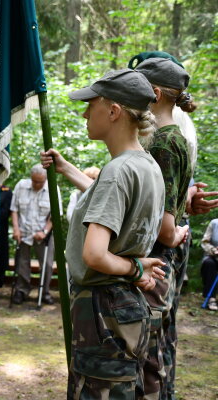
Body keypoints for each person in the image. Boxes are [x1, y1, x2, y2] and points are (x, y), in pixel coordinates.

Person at [41, 69, 167, 399]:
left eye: (91, 104)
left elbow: (95, 254)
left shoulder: (116, 171)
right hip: (126, 309)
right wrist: (67, 168)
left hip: (102, 310)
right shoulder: (146, 165)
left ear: (113, 112)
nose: (85, 113)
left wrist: (135, 268)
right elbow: (110, 203)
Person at [131, 56, 194, 400]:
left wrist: (180, 233)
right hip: (158, 263)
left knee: (148, 360)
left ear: (154, 94)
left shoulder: (163, 144)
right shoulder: (172, 139)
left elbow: (165, 228)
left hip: (154, 265)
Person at [10, 164, 61, 305]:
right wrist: (15, 229)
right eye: (35, 181)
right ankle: (22, 291)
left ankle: (44, 292)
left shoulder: (53, 188)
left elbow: (55, 215)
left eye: (40, 181)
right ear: (31, 178)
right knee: (22, 263)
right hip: (23, 231)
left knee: (47, 264)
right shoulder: (21, 186)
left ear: (45, 179)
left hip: (44, 235)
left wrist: (44, 231)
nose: (37, 184)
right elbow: (14, 209)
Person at [201, 218, 218, 311]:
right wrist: (214, 250)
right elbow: (205, 242)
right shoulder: (214, 223)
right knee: (209, 264)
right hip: (212, 256)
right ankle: (211, 298)